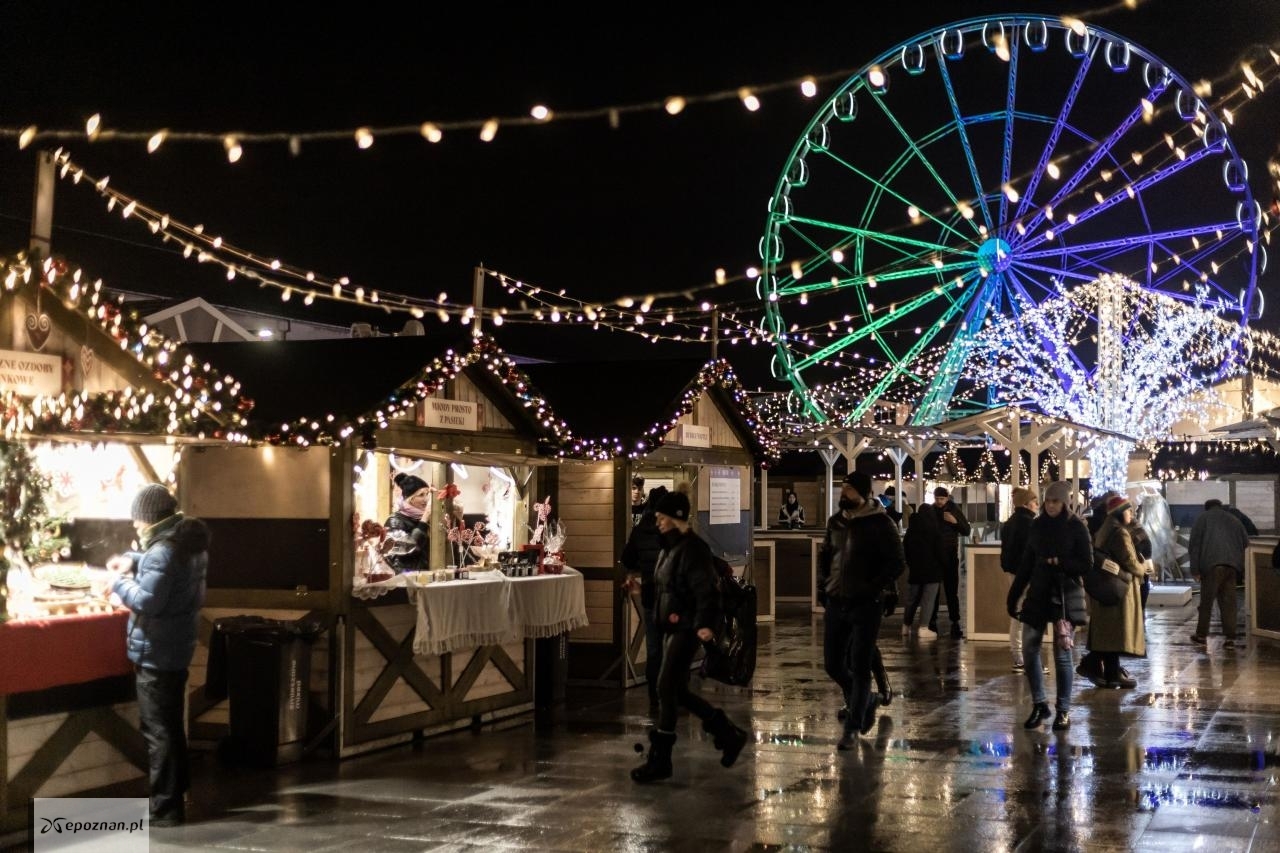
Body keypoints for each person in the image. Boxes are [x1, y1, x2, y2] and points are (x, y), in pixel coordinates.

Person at [106, 484, 210, 826]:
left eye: (137, 520)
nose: (135, 526)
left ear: (149, 518)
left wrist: (117, 585)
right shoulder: (188, 544)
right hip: (177, 649)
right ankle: (177, 795)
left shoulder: (163, 552)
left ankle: (164, 809)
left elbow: (149, 601)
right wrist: (134, 560)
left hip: (156, 652)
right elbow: (160, 566)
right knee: (170, 728)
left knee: (157, 731)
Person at [631, 490, 749, 783]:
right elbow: (666, 586)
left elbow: (705, 589)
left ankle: (662, 759)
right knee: (675, 691)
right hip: (673, 626)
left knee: (666, 686)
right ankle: (727, 733)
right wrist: (637, 590)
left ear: (676, 519)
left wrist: (705, 624)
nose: (657, 522)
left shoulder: (692, 549)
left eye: (662, 517)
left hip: (687, 627)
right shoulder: (668, 548)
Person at [817, 471, 906, 750]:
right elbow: (826, 555)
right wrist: (823, 585)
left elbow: (896, 562)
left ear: (864, 493)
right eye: (843, 488)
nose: (844, 494)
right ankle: (866, 700)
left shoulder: (881, 523)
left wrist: (874, 588)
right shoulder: (836, 522)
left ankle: (853, 728)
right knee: (833, 663)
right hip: (836, 600)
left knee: (860, 662)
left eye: (849, 490)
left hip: (866, 604)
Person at [1006, 480, 1091, 732]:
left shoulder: (1076, 527)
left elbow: (1086, 564)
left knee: (1062, 654)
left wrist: (1060, 562)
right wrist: (1014, 595)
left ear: (1064, 502)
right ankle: (1040, 704)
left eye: (1056, 501)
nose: (1051, 505)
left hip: (1065, 596)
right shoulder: (1037, 526)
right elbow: (1026, 564)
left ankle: (1063, 710)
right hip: (1038, 593)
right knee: (1030, 648)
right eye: (1048, 500)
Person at [1079, 495, 1146, 689]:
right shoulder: (1119, 533)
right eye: (1129, 511)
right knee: (1115, 633)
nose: (1131, 514)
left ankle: (1111, 673)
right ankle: (1096, 666)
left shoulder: (1105, 529)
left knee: (1110, 633)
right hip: (1119, 589)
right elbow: (1130, 561)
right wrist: (1143, 569)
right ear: (1120, 512)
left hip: (1107, 587)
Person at [620, 485, 669, 715]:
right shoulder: (669, 530)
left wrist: (638, 569)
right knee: (671, 647)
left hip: (649, 595)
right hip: (670, 598)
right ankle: (670, 691)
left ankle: (653, 695)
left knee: (653, 648)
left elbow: (627, 557)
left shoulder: (639, 530)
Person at [1188, 498, 1249, 647]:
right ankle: (1230, 638)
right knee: (1229, 603)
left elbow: (1194, 545)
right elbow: (1245, 542)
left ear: (1206, 508)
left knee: (1206, 602)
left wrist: (1195, 570)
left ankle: (1201, 635)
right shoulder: (1234, 519)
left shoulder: (1203, 519)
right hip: (1232, 567)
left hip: (1211, 566)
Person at [1000, 487, 1038, 672]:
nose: (1037, 505)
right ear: (1026, 503)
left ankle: (1019, 655)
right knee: (1024, 614)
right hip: (1025, 574)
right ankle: (1022, 657)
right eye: (1034, 501)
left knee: (1018, 612)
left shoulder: (1010, 523)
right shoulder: (1029, 523)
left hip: (1013, 572)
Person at [927, 486, 971, 639]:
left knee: (951, 591)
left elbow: (966, 530)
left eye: (942, 499)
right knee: (934, 591)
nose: (939, 502)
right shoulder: (931, 511)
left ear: (947, 498)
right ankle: (932, 621)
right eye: (937, 498)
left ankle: (955, 621)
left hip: (950, 556)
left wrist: (955, 522)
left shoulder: (954, 510)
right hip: (934, 557)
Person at [901, 503, 945, 638]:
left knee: (912, 599)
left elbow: (905, 549)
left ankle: (905, 626)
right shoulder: (934, 529)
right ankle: (923, 627)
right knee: (928, 599)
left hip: (915, 570)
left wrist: (911, 563)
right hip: (932, 571)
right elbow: (940, 552)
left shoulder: (911, 529)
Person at [383, 472, 431, 573]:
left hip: (425, 575)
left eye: (427, 494)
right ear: (410, 499)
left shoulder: (425, 518)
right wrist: (424, 520)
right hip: (405, 578)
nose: (426, 499)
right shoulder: (394, 521)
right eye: (421, 495)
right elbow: (406, 548)